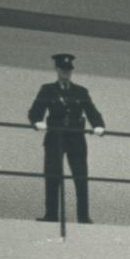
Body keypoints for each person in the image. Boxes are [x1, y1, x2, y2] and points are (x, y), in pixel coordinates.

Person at [28, 52, 105, 224]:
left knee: (81, 177)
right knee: (52, 175)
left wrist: (99, 125)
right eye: (63, 70)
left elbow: (92, 111)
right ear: (57, 69)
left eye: (68, 70)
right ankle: (51, 214)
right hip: (55, 136)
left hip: (76, 137)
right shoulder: (48, 90)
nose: (66, 73)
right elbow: (35, 111)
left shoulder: (81, 91)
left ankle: (83, 216)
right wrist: (37, 122)